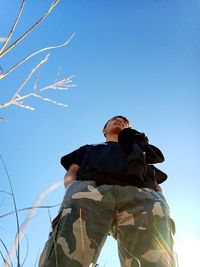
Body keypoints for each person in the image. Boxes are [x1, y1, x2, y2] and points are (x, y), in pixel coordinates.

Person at [39, 116, 176, 267]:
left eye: (125, 122)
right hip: (90, 192)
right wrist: (72, 188)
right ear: (104, 130)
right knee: (67, 253)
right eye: (115, 120)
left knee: (155, 255)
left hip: (141, 195)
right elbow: (73, 170)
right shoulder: (89, 148)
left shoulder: (141, 151)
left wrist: (158, 196)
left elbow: (154, 177)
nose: (120, 121)